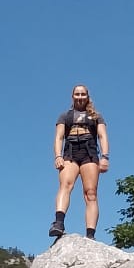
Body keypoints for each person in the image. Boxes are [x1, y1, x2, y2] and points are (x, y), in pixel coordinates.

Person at [49, 84, 110, 239]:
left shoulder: (96, 116)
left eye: (83, 94)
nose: (80, 97)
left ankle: (90, 235)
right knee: (65, 185)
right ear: (72, 96)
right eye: (77, 94)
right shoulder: (65, 116)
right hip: (70, 152)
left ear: (87, 96)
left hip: (89, 153)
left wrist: (105, 157)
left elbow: (102, 136)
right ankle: (58, 223)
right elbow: (59, 137)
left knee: (91, 193)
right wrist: (58, 156)